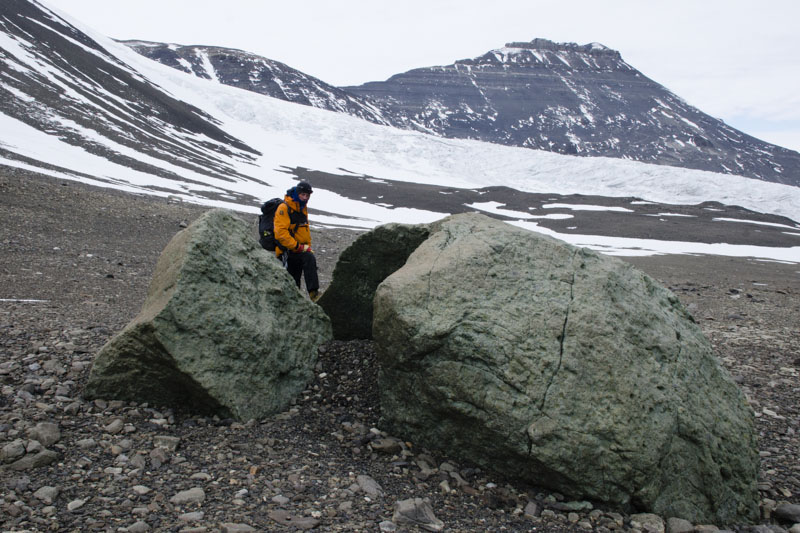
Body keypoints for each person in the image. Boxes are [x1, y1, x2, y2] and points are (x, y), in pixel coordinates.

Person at [273, 181, 320, 301]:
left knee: (306, 262)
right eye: (302, 195)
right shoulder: (284, 208)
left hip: (299, 250)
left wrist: (307, 247)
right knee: (292, 282)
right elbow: (281, 234)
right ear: (297, 193)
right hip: (287, 252)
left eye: (307, 195)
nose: (305, 198)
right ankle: (311, 295)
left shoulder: (302, 209)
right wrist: (298, 247)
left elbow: (304, 231)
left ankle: (313, 294)